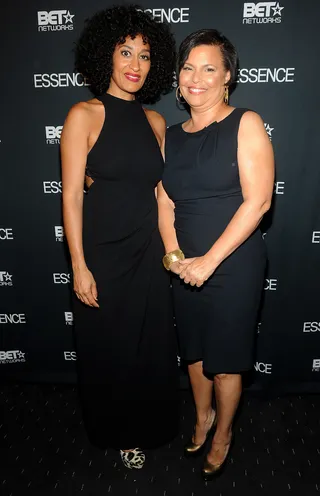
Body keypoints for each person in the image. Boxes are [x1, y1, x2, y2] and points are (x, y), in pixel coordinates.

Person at [60, 5, 178, 470]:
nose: (134, 64)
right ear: (104, 56)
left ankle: (150, 426)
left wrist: (172, 252)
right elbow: (71, 196)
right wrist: (78, 265)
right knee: (109, 348)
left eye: (145, 55)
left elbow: (159, 192)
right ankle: (117, 431)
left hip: (147, 252)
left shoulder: (155, 123)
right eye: (125, 52)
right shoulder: (83, 114)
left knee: (147, 345)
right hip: (102, 255)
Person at [159, 29, 274, 480]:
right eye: (188, 68)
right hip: (184, 265)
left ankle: (223, 432)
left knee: (225, 362)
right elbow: (164, 202)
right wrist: (174, 257)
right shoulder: (170, 135)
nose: (196, 78)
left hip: (233, 266)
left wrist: (208, 261)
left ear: (227, 76)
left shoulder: (245, 122)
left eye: (209, 68)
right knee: (194, 356)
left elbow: (259, 201)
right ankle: (202, 417)